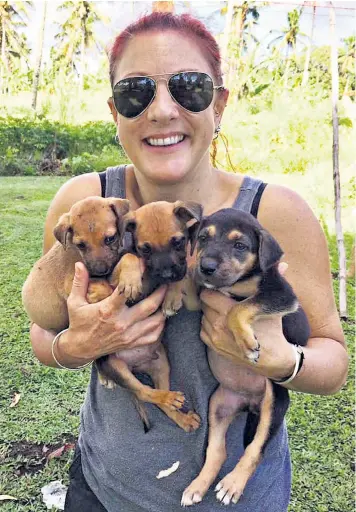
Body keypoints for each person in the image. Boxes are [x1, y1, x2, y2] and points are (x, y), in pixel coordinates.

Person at [30, 12, 348, 512]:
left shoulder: (274, 213)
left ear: (219, 103)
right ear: (115, 111)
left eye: (189, 87)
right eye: (137, 93)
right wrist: (77, 345)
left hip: (239, 500)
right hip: (104, 487)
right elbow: (43, 331)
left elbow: (334, 363)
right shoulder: (88, 204)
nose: (161, 111)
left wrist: (282, 358)